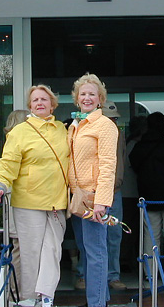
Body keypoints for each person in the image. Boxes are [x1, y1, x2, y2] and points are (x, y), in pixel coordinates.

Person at [0, 86, 69, 307]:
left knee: (53, 251)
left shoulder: (63, 130)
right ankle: (29, 299)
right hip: (28, 202)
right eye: (35, 100)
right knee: (31, 254)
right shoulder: (19, 132)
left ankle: (45, 297)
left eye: (44, 99)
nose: (40, 103)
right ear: (30, 106)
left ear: (52, 105)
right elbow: (8, 162)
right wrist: (0, 183)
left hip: (57, 202)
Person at [68, 73, 118, 307]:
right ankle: (99, 299)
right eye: (83, 94)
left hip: (94, 198)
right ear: (77, 98)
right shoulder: (76, 125)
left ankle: (96, 303)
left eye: (92, 94)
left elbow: (108, 165)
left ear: (100, 99)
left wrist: (101, 201)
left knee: (96, 252)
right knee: (86, 251)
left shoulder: (105, 125)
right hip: (78, 198)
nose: (87, 98)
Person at [75, 101, 128, 291]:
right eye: (109, 117)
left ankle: (113, 276)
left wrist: (116, 183)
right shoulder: (84, 129)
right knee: (87, 239)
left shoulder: (118, 134)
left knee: (114, 236)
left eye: (115, 119)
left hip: (114, 191)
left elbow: (119, 162)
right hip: (89, 193)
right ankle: (84, 275)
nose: (112, 121)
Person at [129, 111, 164, 279]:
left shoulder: (140, 147)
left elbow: (133, 165)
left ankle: (150, 272)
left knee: (150, 234)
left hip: (147, 195)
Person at [3, 109, 30, 299]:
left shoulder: (10, 142)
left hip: (17, 203)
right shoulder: (17, 144)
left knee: (19, 249)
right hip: (20, 203)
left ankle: (16, 293)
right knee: (20, 250)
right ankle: (16, 294)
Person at [122, 116, 147, 270]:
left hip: (128, 192)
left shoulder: (127, 143)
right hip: (130, 192)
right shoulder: (134, 146)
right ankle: (125, 260)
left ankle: (127, 258)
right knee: (130, 228)